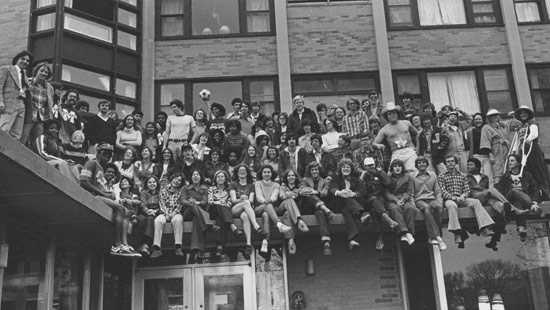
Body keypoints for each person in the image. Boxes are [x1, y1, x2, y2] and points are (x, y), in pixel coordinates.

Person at [80, 143, 140, 257]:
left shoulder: (102, 169)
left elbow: (110, 180)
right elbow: (83, 181)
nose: (107, 156)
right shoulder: (91, 163)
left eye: (109, 154)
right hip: (92, 196)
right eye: (104, 153)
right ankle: (117, 245)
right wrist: (103, 194)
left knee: (126, 212)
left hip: (100, 196)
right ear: (98, 153)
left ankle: (124, 244)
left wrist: (108, 194)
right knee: (121, 209)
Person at [438, 154, 495, 246]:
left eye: (452, 161)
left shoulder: (462, 175)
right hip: (449, 199)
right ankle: (457, 233)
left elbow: (467, 190)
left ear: (455, 163)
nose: (450, 163)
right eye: (448, 162)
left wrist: (463, 196)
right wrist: (452, 197)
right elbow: (442, 191)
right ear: (445, 164)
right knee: (452, 206)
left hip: (461, 198)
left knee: (475, 202)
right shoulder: (442, 176)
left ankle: (485, 227)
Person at [496, 154, 543, 241]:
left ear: (518, 163)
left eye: (512, 161)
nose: (509, 162)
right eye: (509, 161)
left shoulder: (526, 175)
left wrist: (535, 200)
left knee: (519, 202)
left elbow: (535, 189)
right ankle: (532, 207)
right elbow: (500, 191)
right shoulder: (505, 176)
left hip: (522, 200)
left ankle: (521, 228)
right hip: (508, 199)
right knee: (514, 191)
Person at [466, 157, 510, 249]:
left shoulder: (485, 177)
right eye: (468, 165)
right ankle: (511, 207)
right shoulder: (466, 177)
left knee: (495, 203)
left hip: (484, 198)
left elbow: (485, 189)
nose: (468, 166)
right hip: (474, 197)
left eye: (471, 165)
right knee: (492, 190)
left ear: (477, 167)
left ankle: (506, 212)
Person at [329, 158, 371, 250]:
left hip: (349, 207)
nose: (346, 169)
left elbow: (361, 191)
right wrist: (339, 192)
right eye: (343, 167)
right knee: (347, 198)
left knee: (347, 210)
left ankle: (353, 239)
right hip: (338, 204)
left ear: (351, 169)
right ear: (340, 169)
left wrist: (354, 194)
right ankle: (361, 216)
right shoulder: (335, 178)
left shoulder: (356, 180)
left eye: (348, 167)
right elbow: (332, 188)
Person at [509, 105, 550, 200]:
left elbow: (534, 133)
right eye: (521, 113)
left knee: (538, 171)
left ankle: (544, 194)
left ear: (528, 114)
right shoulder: (520, 126)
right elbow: (517, 140)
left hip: (533, 149)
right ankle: (533, 194)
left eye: (525, 112)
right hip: (523, 151)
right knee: (527, 172)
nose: (523, 114)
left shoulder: (532, 123)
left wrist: (528, 139)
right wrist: (515, 151)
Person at [181, 169, 220, 262]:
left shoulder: (205, 188)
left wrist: (196, 202)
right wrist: (190, 203)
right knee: (193, 206)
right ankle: (209, 224)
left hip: (199, 214)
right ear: (190, 177)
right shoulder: (185, 188)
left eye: (197, 175)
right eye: (193, 175)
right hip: (188, 212)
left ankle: (199, 250)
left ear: (200, 177)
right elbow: (183, 200)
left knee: (196, 221)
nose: (195, 176)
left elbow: (204, 202)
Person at [360, 157, 398, 250]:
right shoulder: (363, 176)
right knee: (373, 200)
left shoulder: (379, 174)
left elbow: (388, 183)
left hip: (379, 202)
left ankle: (379, 238)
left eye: (372, 165)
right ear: (365, 166)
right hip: (367, 201)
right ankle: (387, 219)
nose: (371, 167)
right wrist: (361, 177)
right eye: (368, 165)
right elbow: (361, 191)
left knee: (374, 210)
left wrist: (381, 172)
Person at [228, 165, 264, 258]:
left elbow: (252, 200)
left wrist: (246, 200)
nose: (242, 172)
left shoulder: (251, 185)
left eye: (244, 170)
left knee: (245, 216)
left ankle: (248, 243)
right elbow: (233, 200)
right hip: (236, 209)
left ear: (247, 172)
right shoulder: (233, 184)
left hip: (247, 210)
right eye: (240, 170)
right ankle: (256, 225)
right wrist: (242, 199)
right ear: (237, 173)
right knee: (246, 203)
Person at [372, 102, 418, 173]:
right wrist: (378, 145)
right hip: (396, 153)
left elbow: (417, 134)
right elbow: (374, 143)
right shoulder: (384, 129)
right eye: (389, 114)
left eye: (394, 113)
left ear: (397, 114)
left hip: (410, 151)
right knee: (392, 175)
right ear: (386, 116)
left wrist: (417, 147)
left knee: (412, 173)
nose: (392, 115)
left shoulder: (406, 123)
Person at [299, 162, 334, 255]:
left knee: (320, 213)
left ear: (319, 170)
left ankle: (326, 242)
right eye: (312, 170)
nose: (314, 171)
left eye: (316, 169)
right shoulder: (305, 180)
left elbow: (325, 193)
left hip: (317, 208)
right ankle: (326, 209)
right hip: (306, 206)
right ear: (309, 171)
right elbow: (301, 190)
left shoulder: (324, 181)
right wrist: (310, 192)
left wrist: (315, 192)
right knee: (307, 194)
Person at [412, 156, 446, 250]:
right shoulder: (412, 176)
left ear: (426, 164)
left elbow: (438, 190)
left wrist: (439, 202)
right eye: (419, 163)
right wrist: (413, 204)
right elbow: (410, 192)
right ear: (416, 165)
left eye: (423, 162)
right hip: (419, 200)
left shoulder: (433, 175)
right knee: (426, 208)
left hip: (431, 198)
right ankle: (438, 237)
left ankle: (433, 237)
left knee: (439, 208)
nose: (421, 164)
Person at [150, 173, 186, 258]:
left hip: (176, 213)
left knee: (177, 220)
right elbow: (161, 203)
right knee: (158, 220)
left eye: (179, 180)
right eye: (175, 179)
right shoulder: (163, 190)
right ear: (172, 179)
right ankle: (157, 248)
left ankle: (178, 247)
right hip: (164, 213)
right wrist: (166, 214)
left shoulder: (181, 191)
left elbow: (180, 204)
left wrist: (174, 213)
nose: (176, 181)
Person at [0, 50, 33, 140]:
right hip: (9, 102)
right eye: (23, 59)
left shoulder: (25, 77)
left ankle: (8, 153)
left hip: (22, 104)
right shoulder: (6, 69)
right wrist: (1, 101)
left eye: (27, 61)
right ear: (17, 59)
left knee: (16, 134)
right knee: (4, 129)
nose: (25, 62)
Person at [21, 62, 54, 146]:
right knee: (22, 139)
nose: (44, 73)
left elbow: (49, 103)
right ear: (36, 71)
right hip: (28, 116)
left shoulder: (49, 87)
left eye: (46, 72)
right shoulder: (28, 81)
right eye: (41, 70)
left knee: (36, 143)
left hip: (40, 118)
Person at [276, 168, 307, 254]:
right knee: (288, 201)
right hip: (281, 208)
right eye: (289, 175)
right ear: (286, 177)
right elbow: (282, 196)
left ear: (296, 177)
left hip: (291, 211)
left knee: (288, 214)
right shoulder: (283, 187)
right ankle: (299, 220)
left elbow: (299, 194)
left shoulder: (299, 187)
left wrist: (291, 195)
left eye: (292, 175)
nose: (291, 177)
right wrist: (292, 196)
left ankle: (291, 240)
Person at [384, 159, 416, 246]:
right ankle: (403, 232)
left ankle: (409, 233)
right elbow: (386, 192)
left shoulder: (408, 177)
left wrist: (403, 199)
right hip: (392, 200)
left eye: (399, 166)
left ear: (402, 167)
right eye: (395, 166)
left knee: (410, 208)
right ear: (392, 168)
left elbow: (409, 191)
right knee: (394, 208)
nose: (397, 168)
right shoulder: (388, 178)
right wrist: (396, 200)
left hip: (404, 199)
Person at [480, 109, 511, 186]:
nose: (495, 117)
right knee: (497, 171)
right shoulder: (486, 127)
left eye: (496, 115)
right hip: (495, 151)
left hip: (505, 150)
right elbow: (486, 141)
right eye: (492, 116)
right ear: (489, 117)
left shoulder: (502, 126)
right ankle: (498, 188)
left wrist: (514, 115)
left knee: (506, 169)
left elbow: (517, 124)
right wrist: (490, 154)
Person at [136, 175, 161, 256]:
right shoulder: (144, 193)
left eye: (154, 182)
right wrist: (148, 211)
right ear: (147, 184)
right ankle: (138, 244)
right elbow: (143, 204)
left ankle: (145, 245)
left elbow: (162, 205)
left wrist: (155, 211)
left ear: (157, 183)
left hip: (155, 213)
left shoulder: (160, 193)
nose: (152, 184)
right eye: (150, 182)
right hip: (144, 212)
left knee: (150, 219)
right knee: (141, 220)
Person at [466, 113, 493, 186]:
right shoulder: (470, 132)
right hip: (476, 157)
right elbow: (468, 145)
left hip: (486, 156)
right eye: (476, 119)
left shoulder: (487, 129)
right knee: (478, 177)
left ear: (483, 120)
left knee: (488, 176)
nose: (478, 121)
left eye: (479, 119)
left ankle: (490, 192)